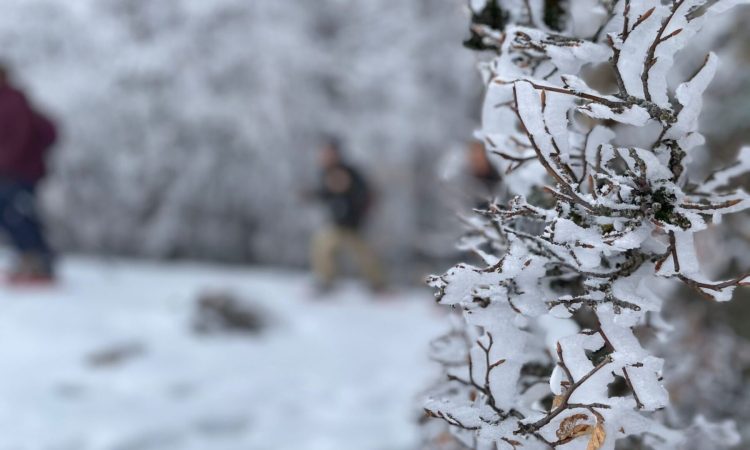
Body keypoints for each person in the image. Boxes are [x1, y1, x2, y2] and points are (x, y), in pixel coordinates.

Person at [0, 63, 57, 283]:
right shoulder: (10, 100)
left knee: (16, 214)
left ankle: (38, 263)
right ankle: (33, 259)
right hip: (15, 170)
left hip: (17, 171)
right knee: (15, 213)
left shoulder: (12, 101)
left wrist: (6, 162)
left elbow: (18, 137)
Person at [308, 138, 384, 293]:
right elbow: (328, 194)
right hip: (337, 224)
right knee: (322, 247)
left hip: (354, 225)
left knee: (365, 256)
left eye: (328, 153)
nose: (325, 156)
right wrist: (313, 195)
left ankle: (378, 285)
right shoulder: (326, 173)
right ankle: (325, 282)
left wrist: (355, 204)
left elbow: (363, 194)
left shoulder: (349, 172)